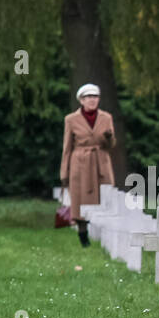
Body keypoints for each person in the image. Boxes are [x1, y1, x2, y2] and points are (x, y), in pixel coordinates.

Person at [59, 83, 116, 247]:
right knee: (80, 201)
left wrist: (108, 138)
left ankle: (106, 237)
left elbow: (111, 145)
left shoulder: (106, 117)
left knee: (104, 198)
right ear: (81, 100)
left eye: (95, 97)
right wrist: (64, 173)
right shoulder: (70, 119)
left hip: (101, 162)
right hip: (80, 164)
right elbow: (67, 147)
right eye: (88, 97)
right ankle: (83, 236)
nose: (92, 100)